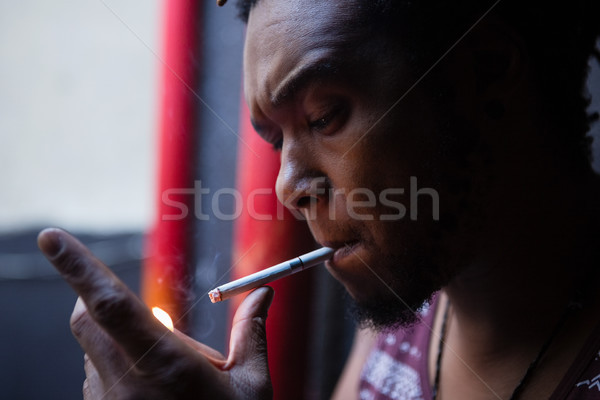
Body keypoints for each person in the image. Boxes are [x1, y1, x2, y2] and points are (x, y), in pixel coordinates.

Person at [38, 0, 600, 398]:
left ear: (487, 68)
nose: (286, 187)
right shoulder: (411, 297)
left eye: (324, 117)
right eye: (277, 140)